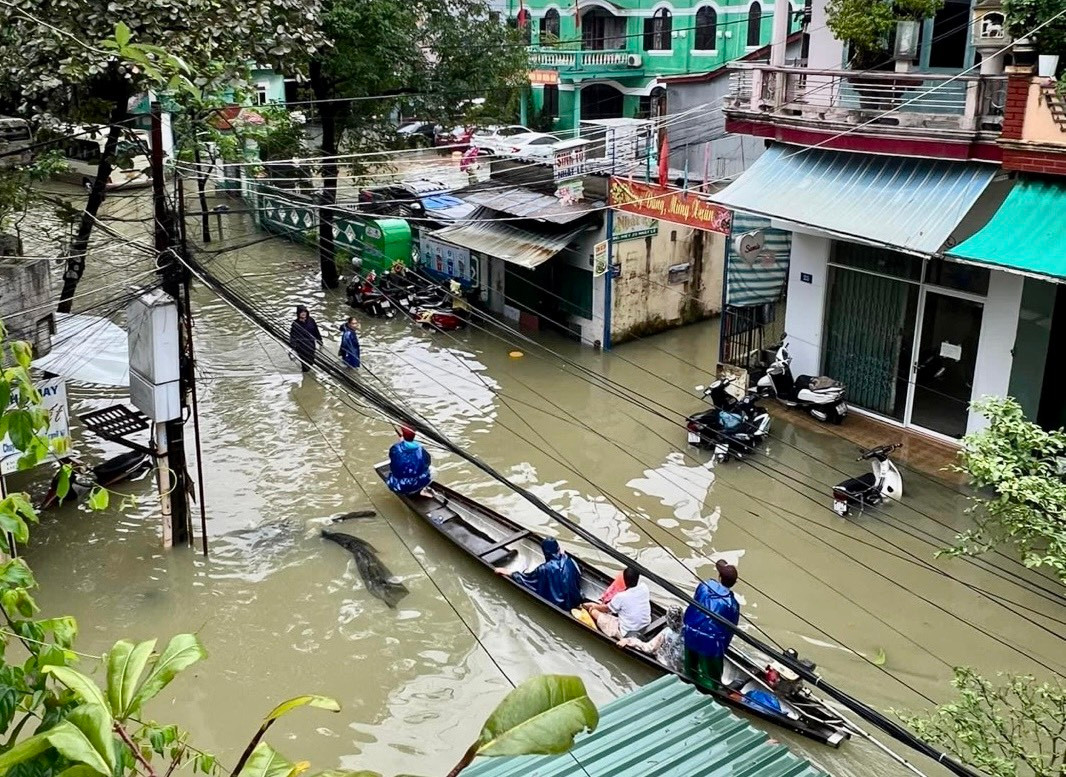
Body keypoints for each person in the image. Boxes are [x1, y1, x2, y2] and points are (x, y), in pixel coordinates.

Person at [682, 559, 740, 688]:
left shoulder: (704, 586)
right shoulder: (732, 604)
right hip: (711, 642)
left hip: (690, 631)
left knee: (690, 667)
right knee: (712, 677)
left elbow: (693, 605)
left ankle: (688, 682)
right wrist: (722, 649)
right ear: (735, 583)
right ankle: (710, 690)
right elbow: (730, 631)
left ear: (719, 577)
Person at [497, 537, 583, 611]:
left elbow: (527, 580)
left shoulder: (544, 569)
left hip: (561, 605)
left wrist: (510, 573)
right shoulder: (569, 560)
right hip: (575, 601)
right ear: (558, 549)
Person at [583, 567, 650, 640]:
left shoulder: (621, 597)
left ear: (624, 580)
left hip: (627, 632)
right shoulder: (644, 587)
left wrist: (593, 605)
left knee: (593, 611)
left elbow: (606, 609)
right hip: (645, 625)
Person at [617, 605, 683, 672]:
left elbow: (649, 648)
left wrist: (630, 641)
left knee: (632, 634)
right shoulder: (686, 635)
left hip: (662, 664)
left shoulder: (667, 632)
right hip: (678, 668)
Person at [385, 427, 432, 495]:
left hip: (400, 486)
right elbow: (428, 462)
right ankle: (423, 489)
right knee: (432, 470)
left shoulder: (395, 448)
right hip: (420, 482)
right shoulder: (420, 448)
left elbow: (393, 461)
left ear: (403, 435)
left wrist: (401, 443)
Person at [288, 305, 322, 373]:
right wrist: (293, 348)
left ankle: (309, 373)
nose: (303, 313)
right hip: (301, 347)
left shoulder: (311, 320)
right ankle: (305, 374)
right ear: (298, 313)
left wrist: (320, 340)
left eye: (305, 312)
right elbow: (293, 337)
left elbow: (316, 331)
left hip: (311, 345)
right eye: (301, 312)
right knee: (305, 365)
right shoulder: (295, 324)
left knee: (311, 361)